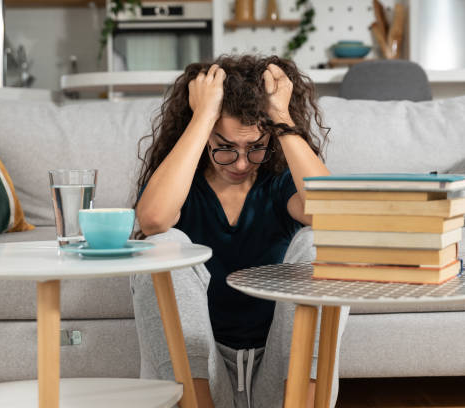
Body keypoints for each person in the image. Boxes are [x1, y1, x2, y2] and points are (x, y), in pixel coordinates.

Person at [131, 54, 349, 408]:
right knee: (163, 243)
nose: (243, 163)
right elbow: (153, 220)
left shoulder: (278, 183)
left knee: (320, 241)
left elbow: (335, 215)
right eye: (226, 148)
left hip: (278, 373)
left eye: (256, 147)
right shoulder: (183, 184)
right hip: (202, 375)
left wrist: (280, 117)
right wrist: (203, 115)